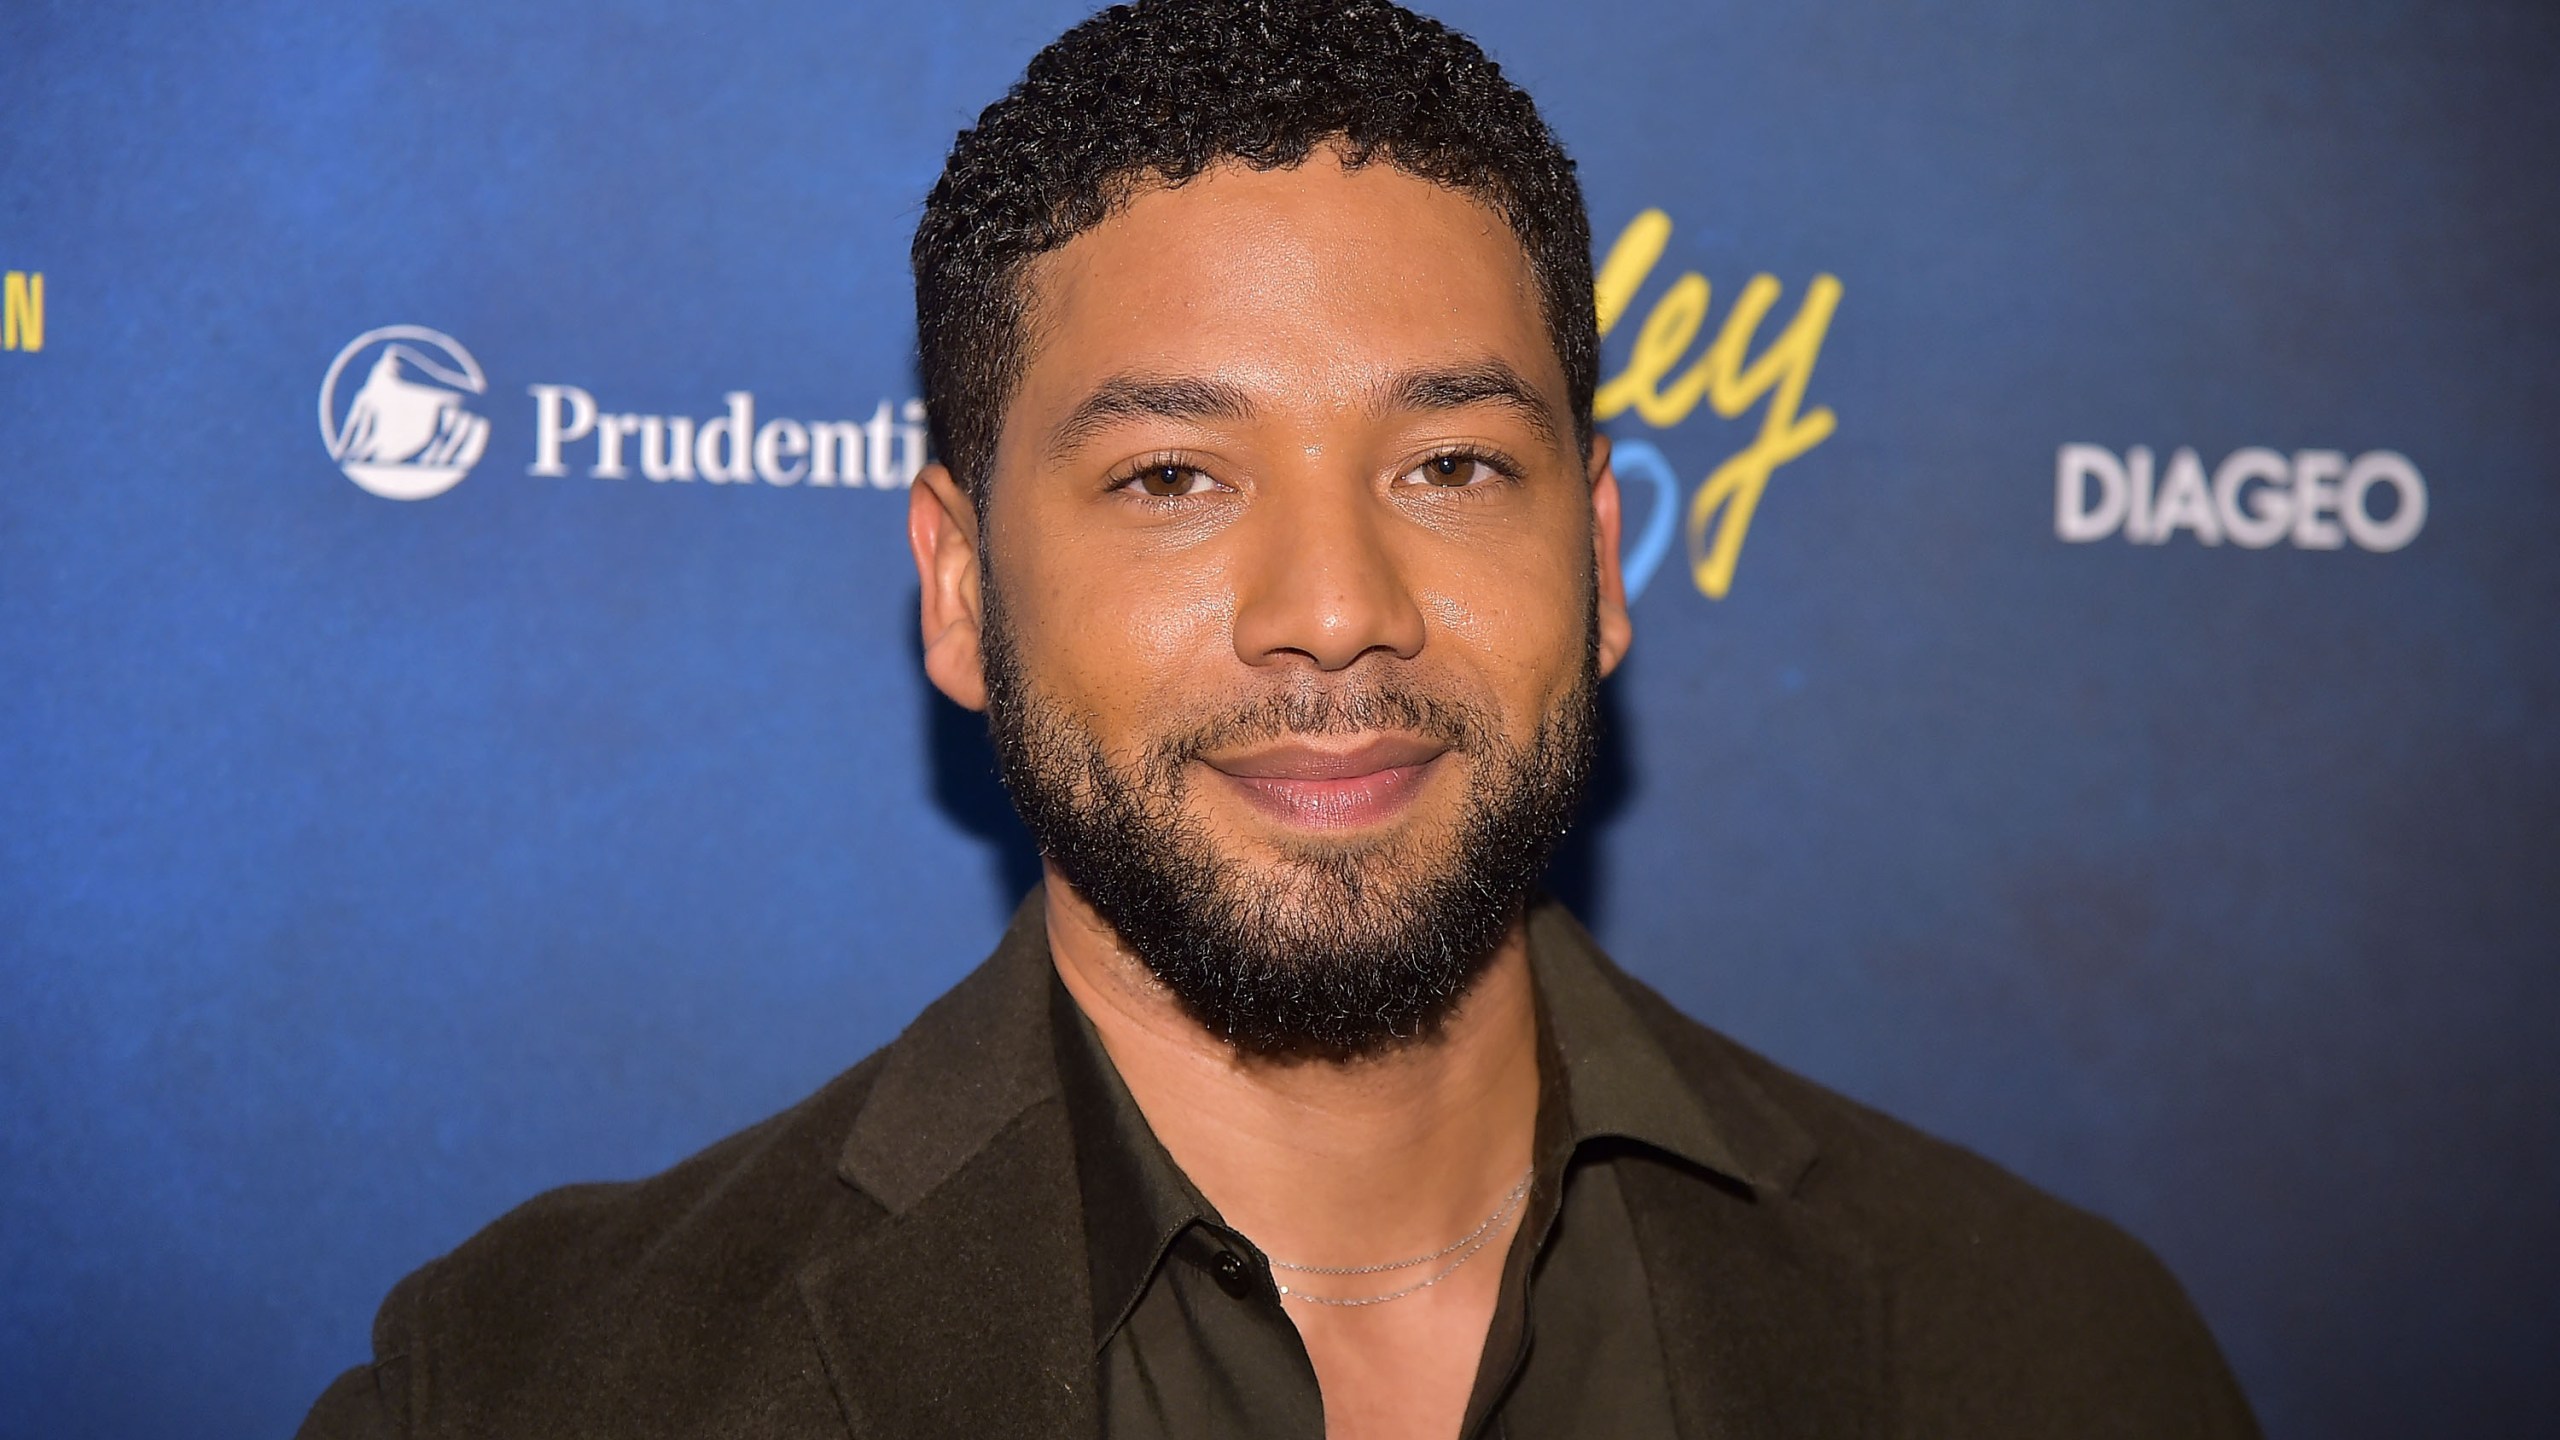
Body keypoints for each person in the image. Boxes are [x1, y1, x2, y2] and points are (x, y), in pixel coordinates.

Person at [297, 1, 2260, 1435]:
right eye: (1171, 479)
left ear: (1596, 556)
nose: (1333, 610)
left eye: (1449, 466)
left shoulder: (2054, 1352)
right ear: (961, 587)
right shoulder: (533, 1389)